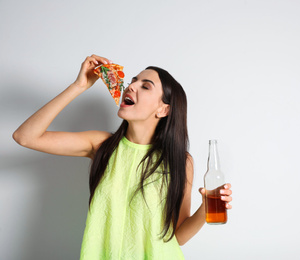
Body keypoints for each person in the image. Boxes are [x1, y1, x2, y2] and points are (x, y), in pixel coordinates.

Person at [13, 54, 233, 259]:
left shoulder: (180, 161)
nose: (131, 86)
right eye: (133, 81)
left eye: (145, 86)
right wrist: (78, 86)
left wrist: (206, 207)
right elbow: (25, 137)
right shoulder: (101, 145)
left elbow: (178, 237)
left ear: (163, 110)